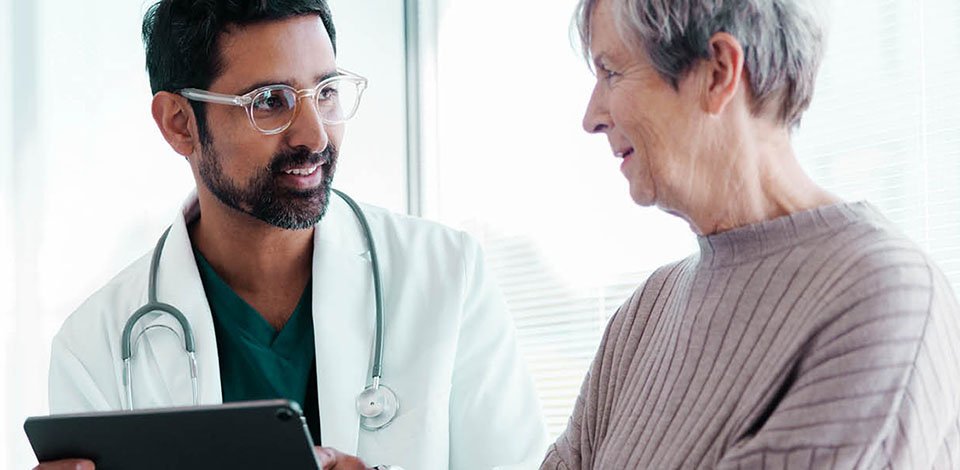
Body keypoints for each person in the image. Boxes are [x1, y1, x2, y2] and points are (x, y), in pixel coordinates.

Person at [36, 1, 546, 469]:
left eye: (325, 92)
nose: (315, 135)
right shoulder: (95, 348)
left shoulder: (448, 277)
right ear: (179, 124)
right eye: (271, 101)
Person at [541, 0, 960, 468]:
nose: (591, 116)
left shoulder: (884, 296)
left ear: (718, 72)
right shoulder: (643, 316)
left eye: (612, 72)